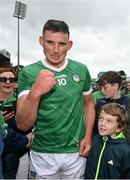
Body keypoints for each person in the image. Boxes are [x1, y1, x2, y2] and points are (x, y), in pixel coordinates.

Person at [16, 19, 95, 179]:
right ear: (41, 41)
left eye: (62, 44)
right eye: (50, 42)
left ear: (70, 44)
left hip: (75, 152)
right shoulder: (29, 72)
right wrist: (35, 92)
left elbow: (88, 104)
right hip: (43, 152)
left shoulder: (81, 69)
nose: (56, 50)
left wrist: (87, 136)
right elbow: (23, 124)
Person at [0, 67, 32, 179]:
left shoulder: (24, 100)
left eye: (11, 80)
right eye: (3, 79)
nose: (8, 82)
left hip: (21, 150)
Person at [85, 103, 130, 179]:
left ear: (119, 128)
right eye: (101, 118)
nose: (102, 124)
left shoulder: (125, 150)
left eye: (109, 121)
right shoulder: (94, 140)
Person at [93, 71, 128, 135]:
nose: (102, 91)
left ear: (115, 86)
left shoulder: (127, 102)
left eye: (105, 88)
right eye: (101, 88)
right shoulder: (100, 103)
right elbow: (95, 125)